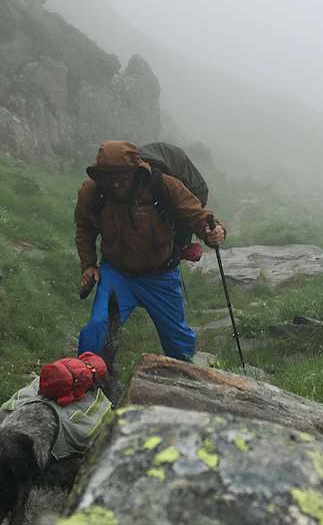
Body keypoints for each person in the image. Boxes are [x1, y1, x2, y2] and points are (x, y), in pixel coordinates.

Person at [75, 141, 226, 361]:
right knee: (98, 327)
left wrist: (213, 231)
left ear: (136, 170)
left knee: (178, 344)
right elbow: (85, 227)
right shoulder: (93, 191)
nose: (116, 183)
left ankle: (185, 376)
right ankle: (89, 375)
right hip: (117, 274)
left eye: (122, 176)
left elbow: (195, 213)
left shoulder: (162, 185)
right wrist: (88, 264)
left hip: (161, 275)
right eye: (109, 177)